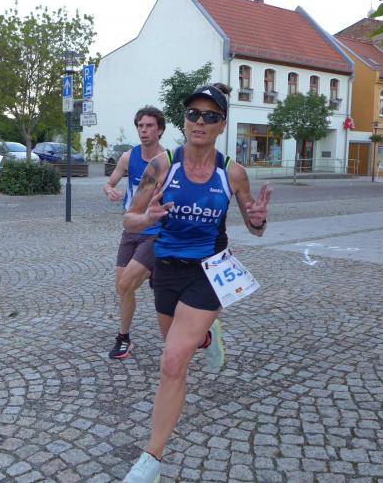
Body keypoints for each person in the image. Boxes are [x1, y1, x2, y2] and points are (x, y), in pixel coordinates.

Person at [122, 84, 271, 482]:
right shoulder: (162, 166)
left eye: (210, 116)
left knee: (172, 362)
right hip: (166, 270)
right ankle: (207, 336)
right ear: (184, 120)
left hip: (208, 271)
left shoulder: (232, 173)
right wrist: (147, 218)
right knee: (178, 348)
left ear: (222, 124)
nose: (199, 122)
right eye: (193, 114)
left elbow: (254, 226)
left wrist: (258, 220)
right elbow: (129, 220)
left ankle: (151, 459)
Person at [103, 106, 166, 359]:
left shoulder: (167, 160)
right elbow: (110, 182)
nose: (144, 130)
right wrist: (109, 190)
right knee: (123, 288)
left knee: (127, 282)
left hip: (155, 231)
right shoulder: (129, 157)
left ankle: (154, 271)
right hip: (130, 229)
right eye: (140, 126)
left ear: (160, 130)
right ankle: (125, 338)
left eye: (149, 126)